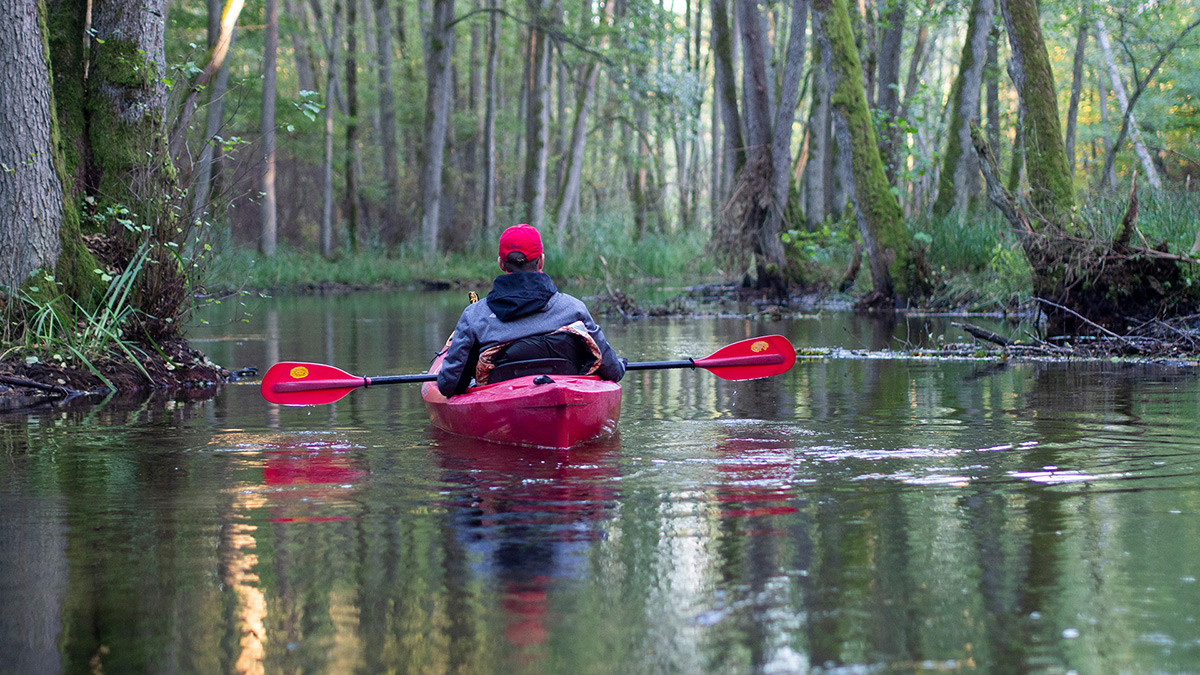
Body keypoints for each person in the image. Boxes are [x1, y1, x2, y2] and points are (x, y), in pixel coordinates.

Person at [436, 224, 626, 397]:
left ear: (501, 264)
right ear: (541, 261)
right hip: (566, 396)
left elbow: (449, 385)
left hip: (502, 409)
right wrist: (620, 365)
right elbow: (612, 372)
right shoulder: (574, 309)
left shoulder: (475, 316)